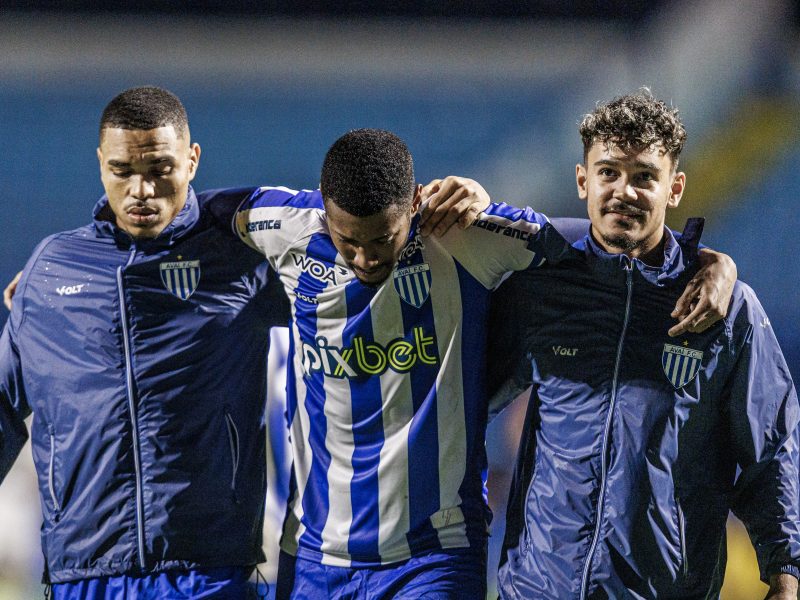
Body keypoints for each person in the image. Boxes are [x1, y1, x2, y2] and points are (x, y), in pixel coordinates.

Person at [218, 127, 738, 599]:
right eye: (348, 240)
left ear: (415, 204)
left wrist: (711, 261)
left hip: (434, 556)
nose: (366, 258)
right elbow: (196, 221)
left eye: (383, 239)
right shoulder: (278, 224)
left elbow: (608, 242)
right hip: (315, 553)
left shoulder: (465, 236)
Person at [488, 91, 800, 599]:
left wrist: (786, 576)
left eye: (644, 177)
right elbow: (461, 401)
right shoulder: (539, 287)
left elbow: (773, 448)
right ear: (582, 180)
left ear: (674, 188)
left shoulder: (727, 310)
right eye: (608, 172)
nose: (623, 191)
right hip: (538, 588)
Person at [0, 86, 292, 598]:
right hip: (83, 572)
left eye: (159, 169)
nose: (141, 190)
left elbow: (354, 250)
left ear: (192, 159)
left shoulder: (238, 253)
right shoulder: (51, 270)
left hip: (208, 571)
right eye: (122, 171)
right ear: (99, 164)